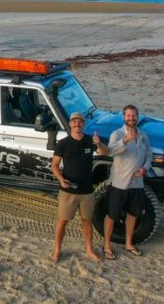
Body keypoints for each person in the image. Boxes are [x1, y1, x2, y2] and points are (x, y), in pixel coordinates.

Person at [50, 112, 107, 264]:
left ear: (84, 124)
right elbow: (54, 165)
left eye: (80, 122)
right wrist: (61, 180)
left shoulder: (90, 141)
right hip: (68, 190)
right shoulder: (63, 143)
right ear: (70, 124)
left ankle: (89, 249)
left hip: (87, 191)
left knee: (87, 221)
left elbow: (105, 153)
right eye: (74, 122)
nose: (77, 124)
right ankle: (57, 250)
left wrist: (98, 143)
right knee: (62, 221)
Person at [104, 105, 152, 259]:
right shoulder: (117, 134)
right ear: (123, 117)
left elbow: (149, 155)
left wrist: (145, 168)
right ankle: (106, 245)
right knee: (112, 215)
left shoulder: (143, 135)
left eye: (134, 115)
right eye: (128, 115)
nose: (131, 118)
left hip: (137, 183)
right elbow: (110, 151)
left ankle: (129, 243)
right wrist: (125, 140)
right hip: (119, 183)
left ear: (137, 117)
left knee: (133, 214)